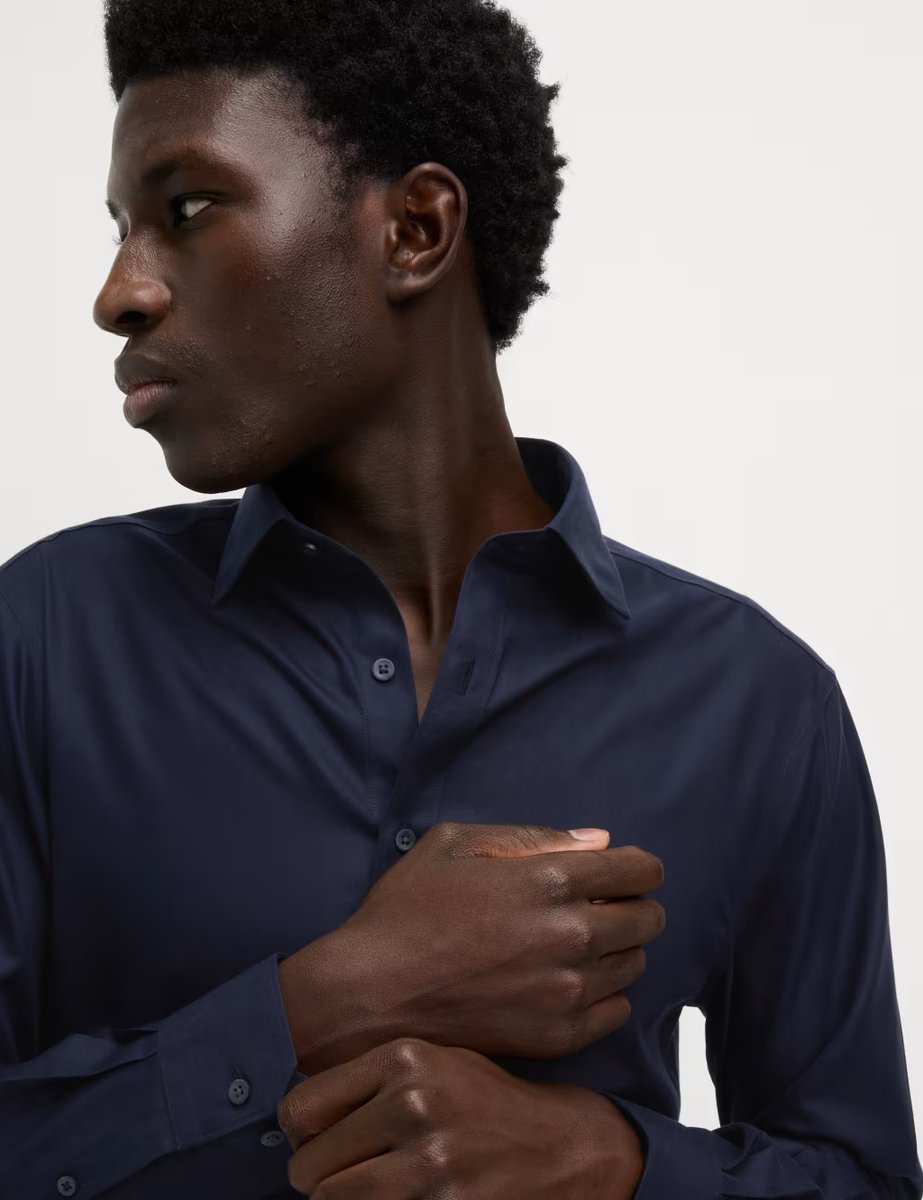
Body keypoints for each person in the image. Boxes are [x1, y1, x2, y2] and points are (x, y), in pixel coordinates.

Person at [1, 0, 920, 1196]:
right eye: (122, 229)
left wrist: (606, 1161)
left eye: (186, 211)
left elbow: (862, 1177)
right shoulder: (48, 640)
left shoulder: (756, 702)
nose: (119, 294)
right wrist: (327, 1002)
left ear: (416, 230)